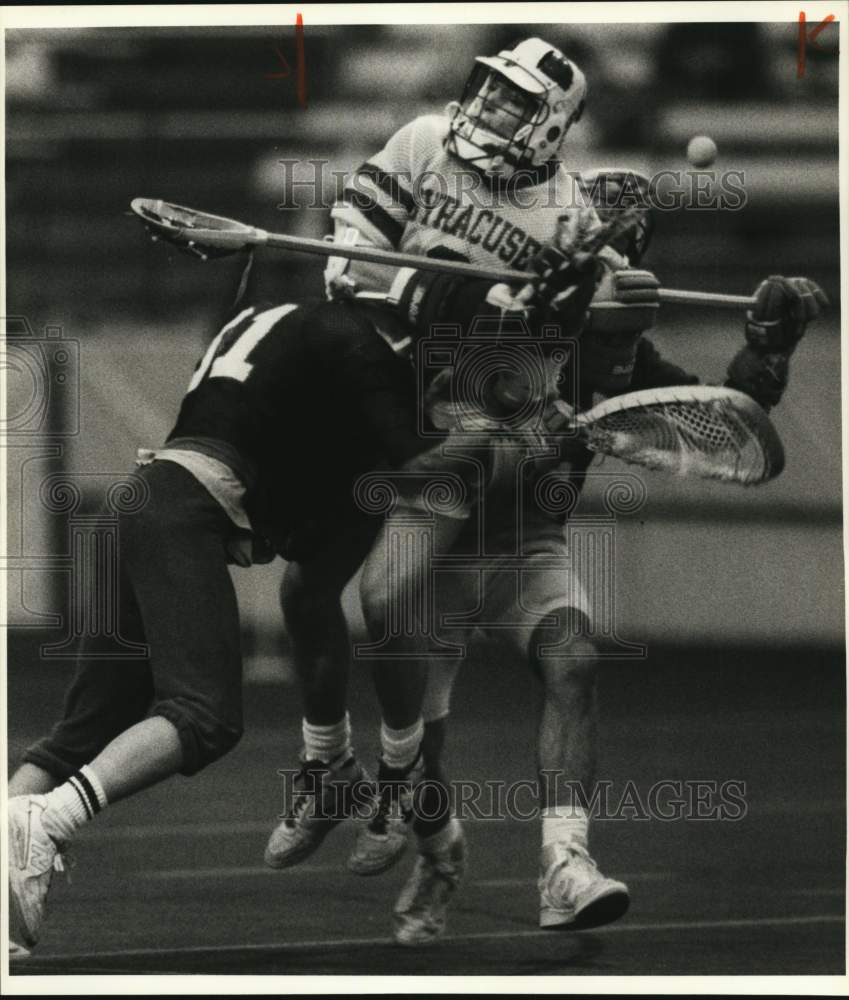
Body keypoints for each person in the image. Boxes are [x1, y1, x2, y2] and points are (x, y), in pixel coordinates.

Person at [262, 36, 635, 945]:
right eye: (490, 93)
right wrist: (463, 308)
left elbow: (568, 363)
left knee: (564, 658)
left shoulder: (571, 221)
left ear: (551, 122)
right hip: (402, 429)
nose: (490, 112)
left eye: (515, 104)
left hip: (477, 472)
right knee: (323, 594)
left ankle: (561, 865)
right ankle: (402, 816)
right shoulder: (424, 143)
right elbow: (346, 269)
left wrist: (571, 307)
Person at [6, 296, 440, 957]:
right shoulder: (356, 349)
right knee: (205, 714)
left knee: (82, 732)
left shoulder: (274, 328)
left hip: (143, 497)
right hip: (184, 512)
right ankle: (49, 820)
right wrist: (507, 427)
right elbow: (414, 471)